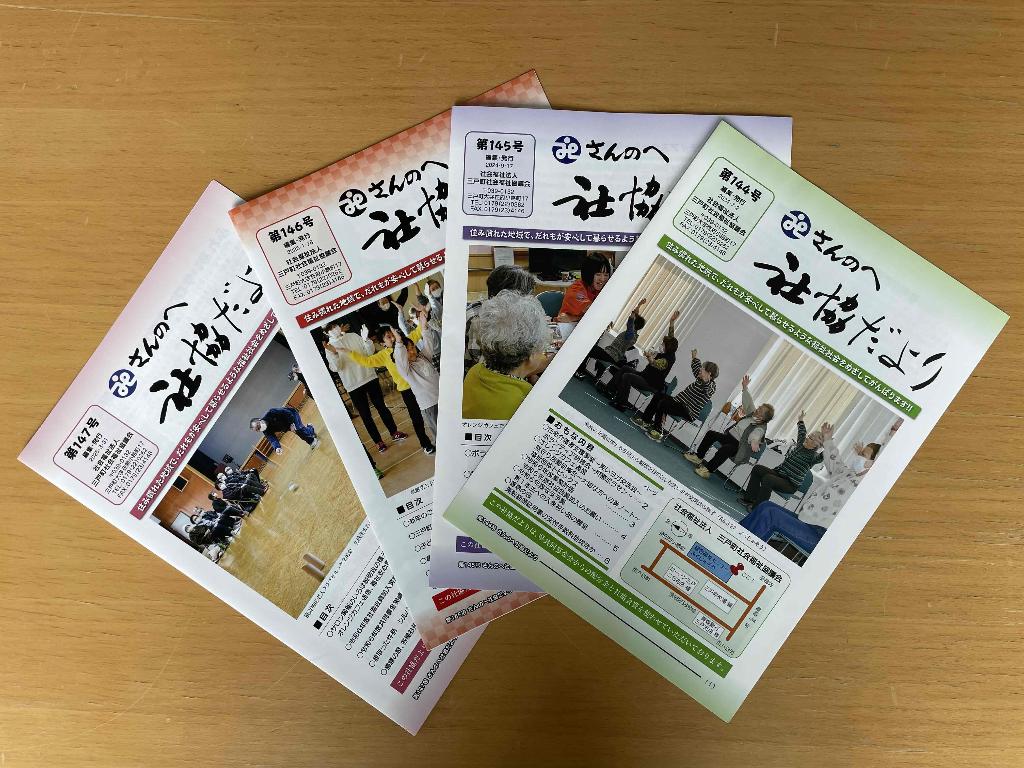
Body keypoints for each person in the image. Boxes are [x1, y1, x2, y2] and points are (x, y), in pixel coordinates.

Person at [739, 420, 896, 553]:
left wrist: (893, 432)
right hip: (807, 521)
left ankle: (745, 550)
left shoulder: (867, 484)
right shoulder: (846, 473)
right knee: (765, 506)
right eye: (860, 454)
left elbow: (887, 457)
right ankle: (736, 539)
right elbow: (833, 459)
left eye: (864, 455)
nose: (859, 457)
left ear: (875, 463)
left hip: (821, 535)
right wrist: (827, 439)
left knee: (770, 514)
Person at [322, 313, 406, 453]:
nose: (334, 329)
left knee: (382, 407)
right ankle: (378, 442)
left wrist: (366, 340)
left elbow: (369, 353)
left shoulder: (353, 336)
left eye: (334, 325)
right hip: (353, 385)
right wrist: (335, 354)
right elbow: (336, 368)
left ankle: (394, 432)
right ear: (326, 333)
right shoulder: (329, 348)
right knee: (366, 415)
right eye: (330, 329)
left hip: (369, 377)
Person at [347, 324, 435, 454]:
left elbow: (417, 332)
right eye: (388, 337)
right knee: (417, 418)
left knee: (433, 413)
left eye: (393, 335)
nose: (393, 338)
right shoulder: (383, 355)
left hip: (422, 386)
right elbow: (366, 361)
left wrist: (421, 321)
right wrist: (348, 353)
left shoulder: (405, 343)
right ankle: (425, 444)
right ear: (382, 343)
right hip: (407, 390)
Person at [463, 290, 551, 420]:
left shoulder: (475, 372)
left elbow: (530, 366)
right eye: (541, 350)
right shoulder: (525, 405)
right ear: (531, 356)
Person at [685, 375, 774, 479]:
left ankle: (708, 470)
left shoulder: (761, 427)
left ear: (763, 417)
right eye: (759, 407)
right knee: (711, 434)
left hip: (739, 447)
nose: (757, 409)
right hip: (729, 437)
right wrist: (745, 387)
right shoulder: (753, 414)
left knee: (726, 449)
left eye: (760, 410)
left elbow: (756, 434)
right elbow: (749, 402)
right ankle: (698, 457)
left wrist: (754, 441)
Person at [738, 412, 823, 510]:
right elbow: (802, 431)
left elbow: (823, 455)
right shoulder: (801, 444)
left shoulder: (813, 457)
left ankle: (758, 508)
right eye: (809, 436)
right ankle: (749, 499)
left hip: (790, 484)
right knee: (757, 469)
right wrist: (801, 419)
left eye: (810, 438)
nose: (807, 438)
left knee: (768, 479)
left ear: (815, 444)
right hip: (779, 474)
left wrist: (828, 442)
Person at [635, 348, 719, 441]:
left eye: (702, 369)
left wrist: (706, 381)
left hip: (689, 411)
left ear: (708, 373)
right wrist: (694, 357)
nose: (700, 369)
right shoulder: (700, 378)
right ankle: (646, 421)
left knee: (663, 404)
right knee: (658, 395)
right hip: (679, 402)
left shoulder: (711, 386)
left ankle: (658, 431)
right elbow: (696, 367)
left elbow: (707, 391)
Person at [466, 265, 536, 370]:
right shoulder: (481, 320)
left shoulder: (495, 309)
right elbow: (489, 367)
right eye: (525, 296)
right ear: (507, 296)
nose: (528, 301)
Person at [608, 310, 679, 411]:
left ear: (668, 347)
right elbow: (671, 336)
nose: (661, 345)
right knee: (625, 368)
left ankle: (622, 404)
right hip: (645, 376)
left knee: (627, 376)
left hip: (650, 383)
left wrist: (649, 356)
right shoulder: (670, 349)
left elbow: (655, 363)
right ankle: (610, 390)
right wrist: (672, 321)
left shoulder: (667, 359)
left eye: (663, 344)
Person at [392, 318, 440, 442]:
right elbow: (400, 359)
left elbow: (429, 344)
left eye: (413, 347)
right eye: (407, 350)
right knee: (440, 435)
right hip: (429, 405)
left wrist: (424, 327)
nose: (412, 351)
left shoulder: (423, 357)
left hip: (442, 398)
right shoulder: (407, 370)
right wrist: (399, 342)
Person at [577, 298, 646, 380]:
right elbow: (633, 317)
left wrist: (639, 305)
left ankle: (580, 372)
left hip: (610, 355)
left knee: (586, 348)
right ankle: (588, 370)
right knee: (590, 349)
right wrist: (639, 306)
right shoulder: (634, 335)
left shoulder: (630, 334)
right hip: (610, 355)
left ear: (634, 324)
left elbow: (631, 318)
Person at [556, 252, 612, 322]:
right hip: (566, 326)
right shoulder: (576, 289)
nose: (602, 279)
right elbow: (594, 313)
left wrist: (574, 318)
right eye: (598, 274)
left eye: (606, 275)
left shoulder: (601, 288)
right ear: (588, 273)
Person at [250, 406, 319, 452]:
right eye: (258, 430)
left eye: (258, 426)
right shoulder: (265, 431)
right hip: (286, 426)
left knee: (298, 430)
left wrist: (291, 423)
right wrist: (277, 447)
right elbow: (272, 439)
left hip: (292, 415)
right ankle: (310, 428)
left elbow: (287, 412)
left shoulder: (271, 412)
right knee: (301, 431)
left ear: (259, 420)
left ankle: (312, 441)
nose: (259, 429)